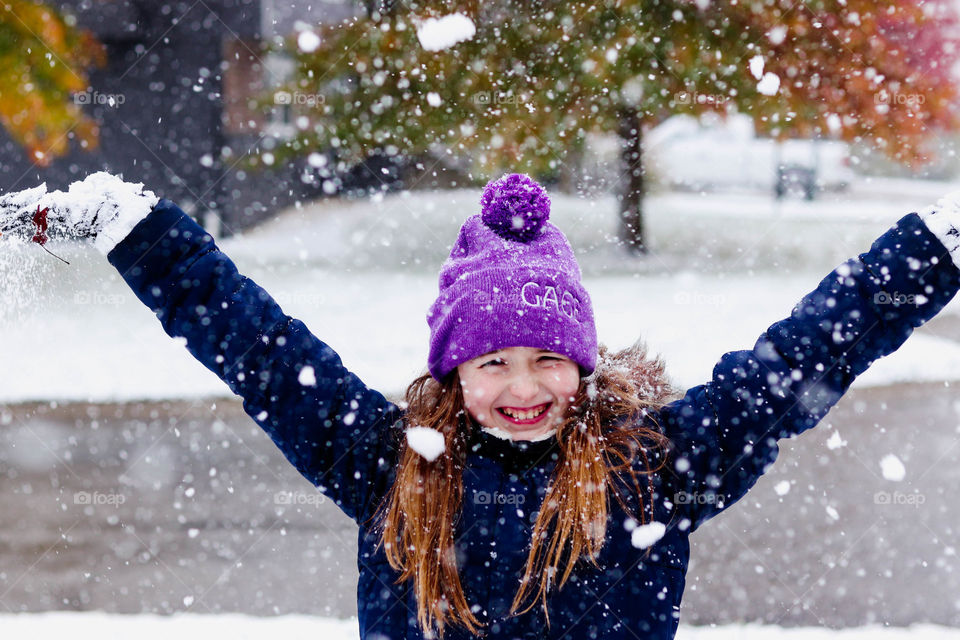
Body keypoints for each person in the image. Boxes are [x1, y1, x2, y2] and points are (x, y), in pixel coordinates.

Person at [2, 171, 959, 640]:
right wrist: (138, 232)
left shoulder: (654, 467)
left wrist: (936, 250)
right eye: (491, 361)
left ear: (582, 365)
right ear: (453, 375)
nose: (523, 387)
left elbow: (802, 355)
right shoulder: (389, 463)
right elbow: (254, 345)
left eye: (549, 357)